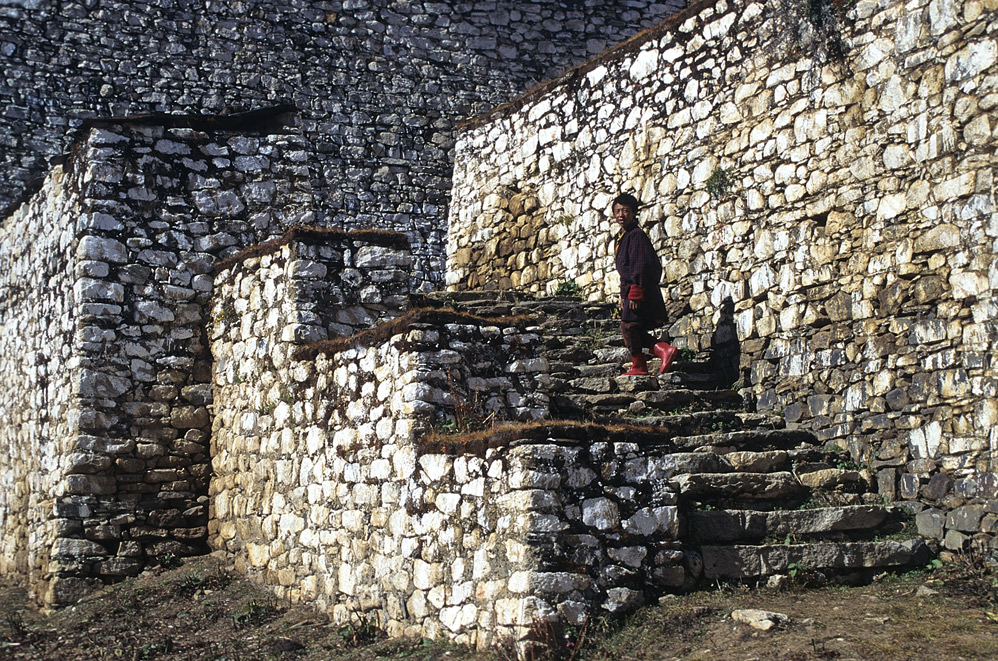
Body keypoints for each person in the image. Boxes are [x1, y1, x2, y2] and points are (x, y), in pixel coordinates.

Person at [612, 193, 677, 376]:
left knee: (629, 326)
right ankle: (661, 350)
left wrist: (635, 292)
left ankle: (641, 365)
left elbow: (640, 264)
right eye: (617, 211)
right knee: (632, 327)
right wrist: (624, 295)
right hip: (631, 289)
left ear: (633, 213)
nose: (621, 215)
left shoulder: (636, 235)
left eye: (625, 211)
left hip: (640, 289)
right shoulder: (622, 236)